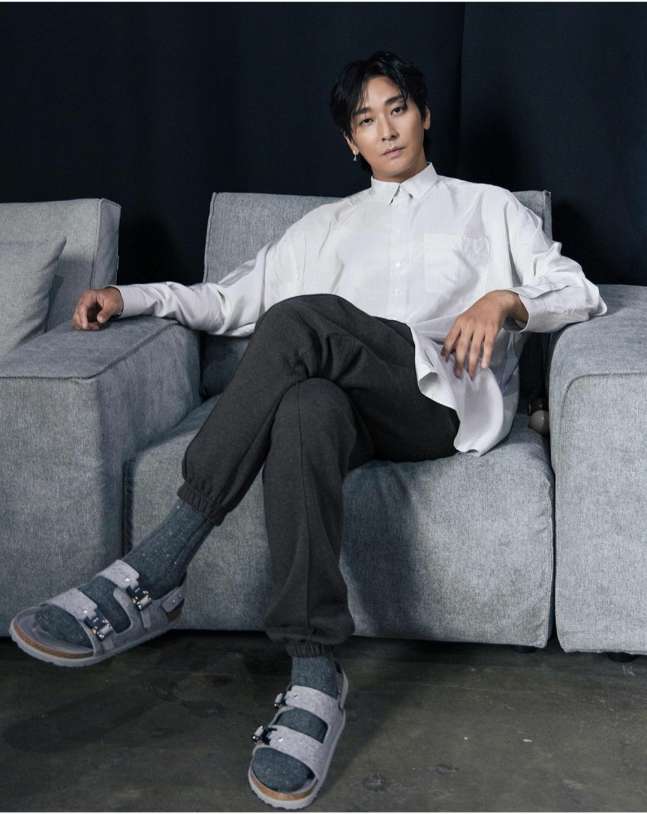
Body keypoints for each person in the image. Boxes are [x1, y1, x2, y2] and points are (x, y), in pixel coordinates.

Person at [9, 50, 607, 810]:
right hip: (349, 413)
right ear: (350, 143)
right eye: (366, 120)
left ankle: (159, 566)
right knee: (304, 408)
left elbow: (577, 289)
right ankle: (315, 673)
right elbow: (226, 301)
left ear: (423, 115)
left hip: (438, 401)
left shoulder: (487, 207)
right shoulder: (324, 227)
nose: (386, 129)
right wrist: (130, 297)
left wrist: (504, 301)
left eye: (397, 109)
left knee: (297, 322)